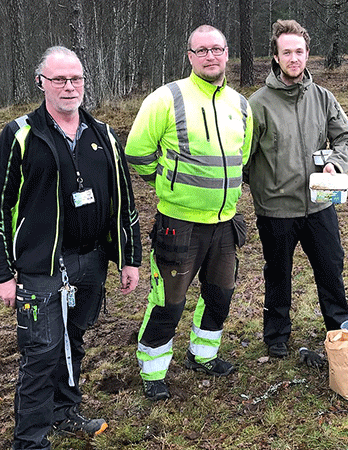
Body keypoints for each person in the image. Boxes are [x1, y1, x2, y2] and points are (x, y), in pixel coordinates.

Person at [0, 46, 142, 449]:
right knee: (41, 354)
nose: (69, 87)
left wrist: (129, 258)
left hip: (90, 261)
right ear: (42, 83)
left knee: (74, 340)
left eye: (76, 79)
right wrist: (1, 274)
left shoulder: (102, 133)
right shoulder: (20, 135)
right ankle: (31, 440)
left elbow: (123, 201)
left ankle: (65, 412)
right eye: (59, 79)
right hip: (41, 267)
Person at [125, 25, 253, 401]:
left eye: (217, 49)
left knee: (220, 296)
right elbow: (137, 152)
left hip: (225, 223)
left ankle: (204, 356)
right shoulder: (166, 98)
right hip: (178, 224)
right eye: (202, 51)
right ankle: (152, 371)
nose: (210, 56)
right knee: (169, 302)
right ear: (190, 56)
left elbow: (241, 158)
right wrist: (169, 184)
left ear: (228, 53)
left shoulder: (241, 106)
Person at [246, 20, 348, 365]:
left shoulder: (323, 98)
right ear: (275, 58)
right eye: (286, 52)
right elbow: (243, 157)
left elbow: (346, 137)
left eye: (299, 52)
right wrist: (267, 183)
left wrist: (336, 165)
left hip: (320, 204)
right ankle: (276, 337)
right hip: (276, 210)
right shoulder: (257, 105)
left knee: (330, 268)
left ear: (308, 54)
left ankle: (339, 331)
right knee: (277, 273)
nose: (294, 58)